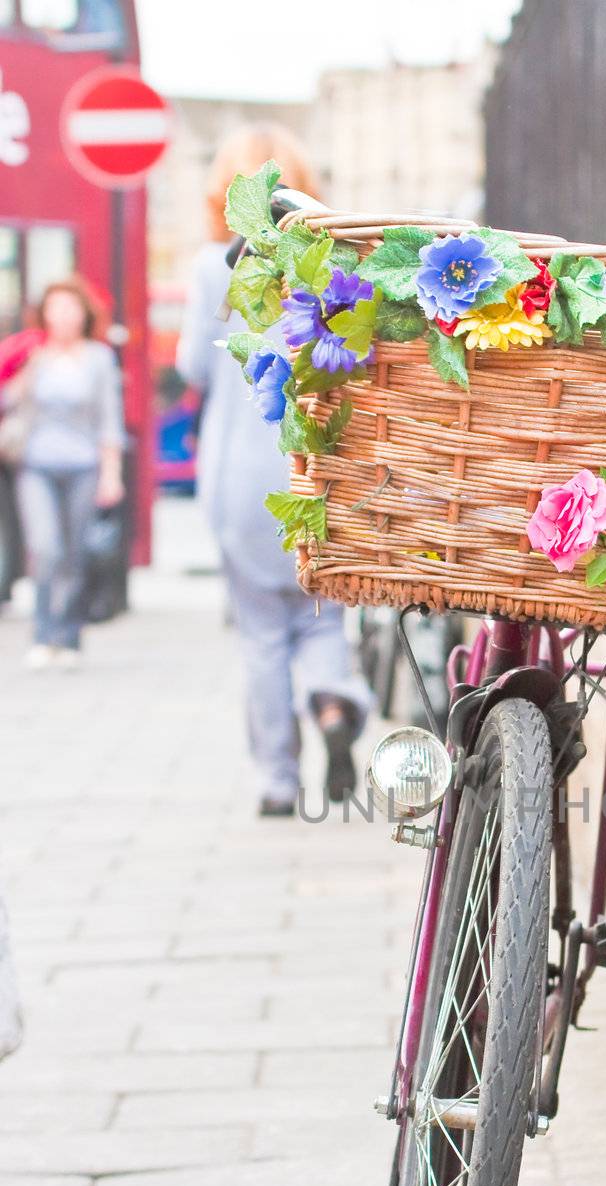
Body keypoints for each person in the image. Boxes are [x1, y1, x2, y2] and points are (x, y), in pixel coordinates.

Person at [177, 124, 370, 818]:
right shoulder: (333, 265)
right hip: (317, 467)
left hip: (239, 475)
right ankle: (332, 708)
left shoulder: (212, 267)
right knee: (320, 618)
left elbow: (192, 368)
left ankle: (278, 783)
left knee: (260, 633)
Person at [10, 280, 124, 668]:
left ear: (83, 313)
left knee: (76, 554)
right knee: (45, 549)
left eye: (69, 307)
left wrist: (112, 473)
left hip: (84, 465)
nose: (61, 315)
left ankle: (69, 636)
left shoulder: (98, 358)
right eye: (54, 308)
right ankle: (43, 634)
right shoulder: (33, 354)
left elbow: (110, 419)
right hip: (36, 464)